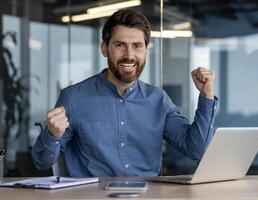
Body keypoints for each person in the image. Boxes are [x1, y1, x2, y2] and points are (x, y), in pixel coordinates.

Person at [32, 9, 218, 177]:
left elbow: (196, 150)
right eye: (120, 45)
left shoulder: (158, 100)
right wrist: (52, 134)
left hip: (147, 195)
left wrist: (206, 97)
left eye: (137, 46)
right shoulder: (73, 97)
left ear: (146, 50)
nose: (129, 55)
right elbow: (41, 162)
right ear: (105, 48)